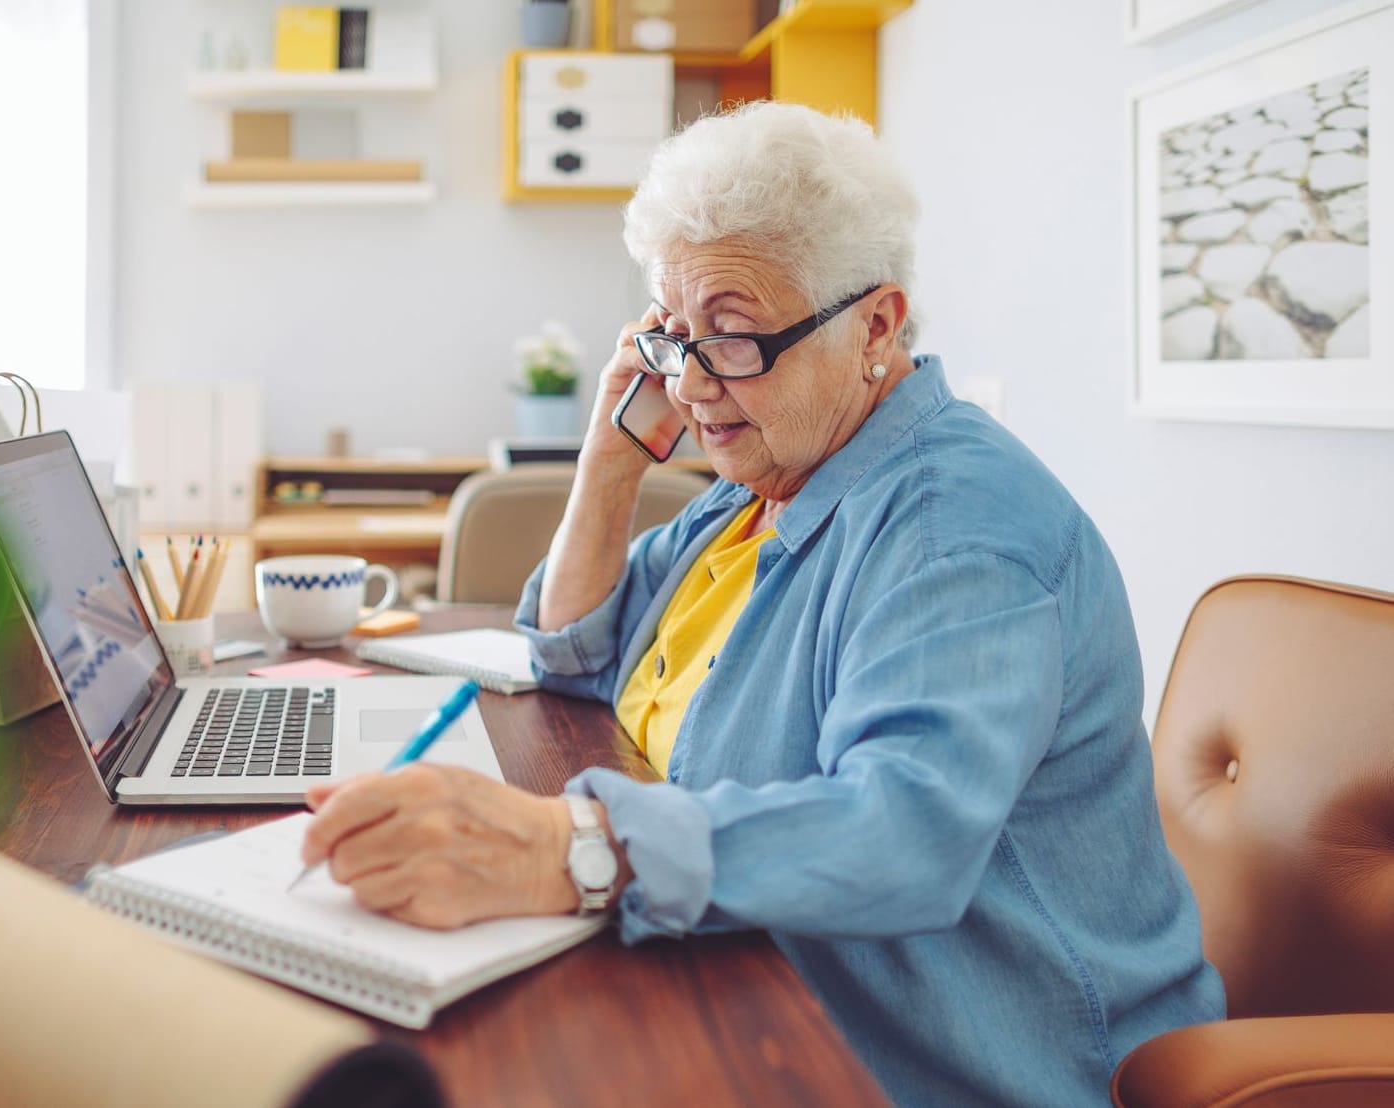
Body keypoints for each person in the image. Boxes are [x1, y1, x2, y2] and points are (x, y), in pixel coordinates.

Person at [298, 101, 1225, 1105]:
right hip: (770, 988)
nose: (692, 385)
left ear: (876, 324)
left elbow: (905, 830)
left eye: (733, 337)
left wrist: (565, 849)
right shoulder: (761, 487)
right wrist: (608, 462)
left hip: (959, 1062)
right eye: (672, 334)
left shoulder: (952, 527)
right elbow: (570, 646)